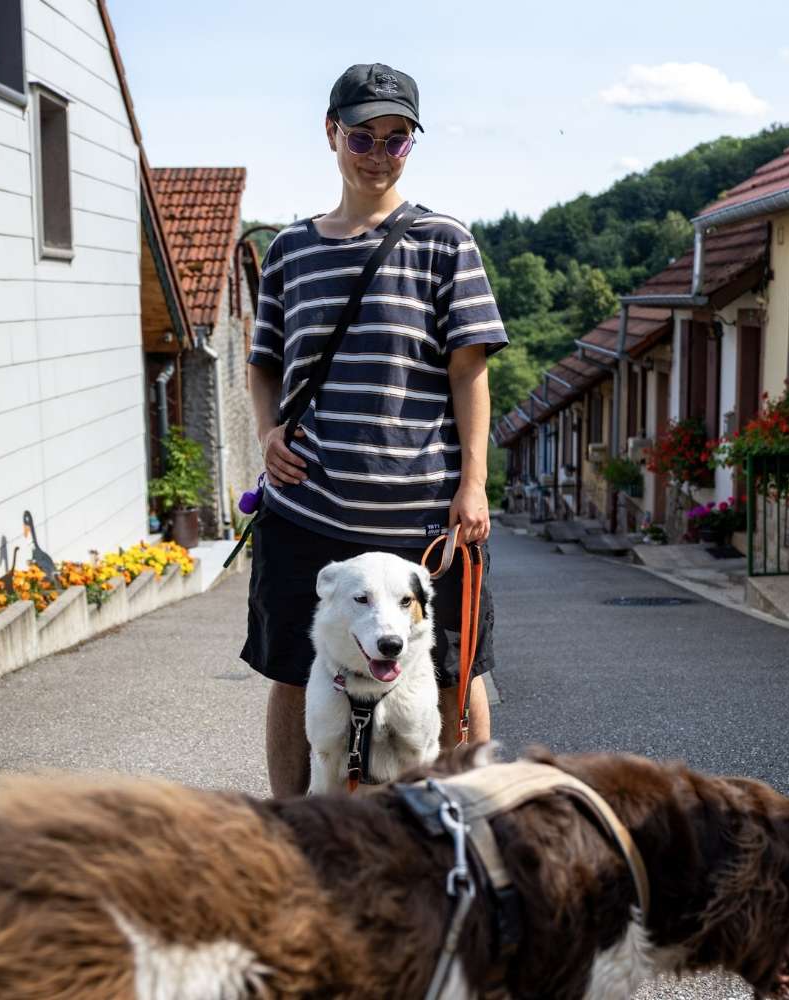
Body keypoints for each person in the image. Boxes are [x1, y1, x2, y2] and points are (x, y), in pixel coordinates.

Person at [242, 63, 508, 797]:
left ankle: (467, 824)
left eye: (396, 139)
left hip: (424, 518)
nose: (377, 154)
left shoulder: (446, 243)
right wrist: (267, 435)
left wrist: (474, 484)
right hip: (307, 511)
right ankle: (295, 833)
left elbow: (469, 371)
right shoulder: (291, 251)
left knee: (456, 672)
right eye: (362, 136)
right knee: (293, 672)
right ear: (332, 133)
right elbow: (263, 364)